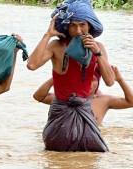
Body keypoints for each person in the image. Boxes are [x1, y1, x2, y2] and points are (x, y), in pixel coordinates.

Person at [26, 0, 114, 151]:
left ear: (90, 26)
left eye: (82, 25)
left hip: (85, 108)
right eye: (73, 25)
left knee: (95, 154)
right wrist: (48, 35)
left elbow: (110, 81)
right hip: (61, 110)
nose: (78, 30)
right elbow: (32, 65)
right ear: (67, 27)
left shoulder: (98, 48)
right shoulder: (56, 46)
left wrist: (97, 53)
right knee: (56, 154)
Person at [33, 65, 133, 126]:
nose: (88, 83)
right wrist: (57, 77)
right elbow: (38, 96)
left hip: (90, 143)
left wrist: (120, 80)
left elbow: (131, 102)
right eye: (84, 79)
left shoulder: (103, 101)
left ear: (97, 83)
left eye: (92, 80)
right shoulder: (65, 97)